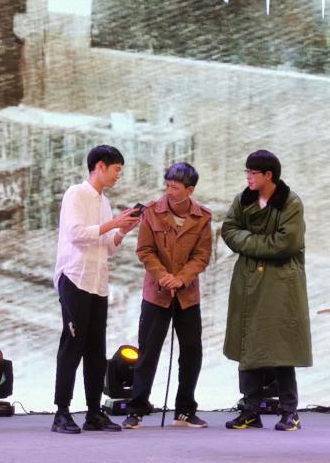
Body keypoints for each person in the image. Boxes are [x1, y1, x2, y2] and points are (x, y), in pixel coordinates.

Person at [51, 145, 142, 434]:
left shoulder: (104, 202)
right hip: (74, 277)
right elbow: (76, 234)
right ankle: (61, 412)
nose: (118, 176)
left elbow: (107, 247)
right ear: (100, 166)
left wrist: (122, 230)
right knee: (72, 346)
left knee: (96, 349)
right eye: (116, 170)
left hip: (97, 282)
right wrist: (113, 223)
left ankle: (93, 412)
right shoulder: (75, 193)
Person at [222, 150, 311, 432]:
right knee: (249, 344)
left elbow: (286, 243)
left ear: (268, 175)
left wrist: (249, 242)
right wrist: (259, 242)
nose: (248, 177)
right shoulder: (243, 199)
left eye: (253, 173)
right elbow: (229, 230)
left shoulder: (291, 202)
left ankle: (289, 412)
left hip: (280, 282)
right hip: (248, 280)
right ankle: (250, 410)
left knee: (281, 347)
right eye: (247, 172)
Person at [124, 162, 212, 429]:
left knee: (191, 352)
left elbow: (202, 256)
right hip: (157, 293)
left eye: (175, 188)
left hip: (187, 296)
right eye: (168, 186)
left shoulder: (203, 217)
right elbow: (145, 251)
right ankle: (137, 408)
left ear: (190, 190)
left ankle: (185, 410)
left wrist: (181, 278)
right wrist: (163, 276)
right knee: (147, 352)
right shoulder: (152, 212)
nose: (169, 192)